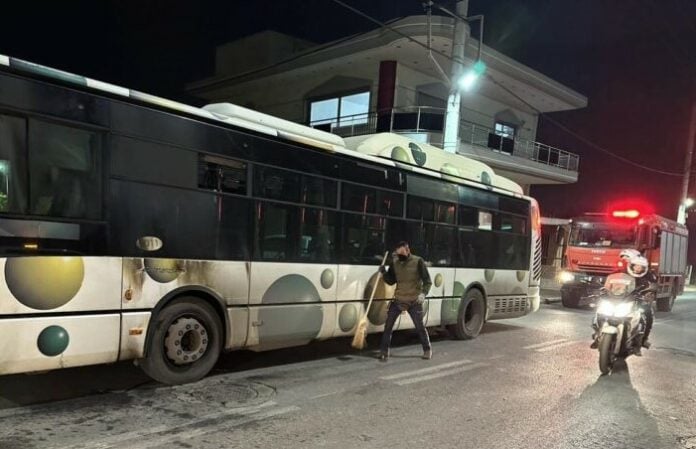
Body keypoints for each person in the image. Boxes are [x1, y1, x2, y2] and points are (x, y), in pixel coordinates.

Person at [378, 241, 432, 361]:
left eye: (401, 255)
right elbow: (391, 281)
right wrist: (384, 272)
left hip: (414, 300)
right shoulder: (395, 262)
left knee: (419, 327)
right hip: (398, 299)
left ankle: (427, 349)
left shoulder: (418, 261)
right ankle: (384, 351)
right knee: (388, 326)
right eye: (397, 255)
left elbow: (427, 281)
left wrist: (423, 293)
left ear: (408, 250)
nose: (399, 258)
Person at [626, 254, 657, 354]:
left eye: (640, 267)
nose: (637, 268)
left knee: (648, 315)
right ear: (632, 265)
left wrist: (650, 292)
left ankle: (642, 341)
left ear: (644, 268)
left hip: (639, 300)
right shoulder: (624, 272)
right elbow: (612, 278)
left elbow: (653, 285)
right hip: (623, 298)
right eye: (635, 265)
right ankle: (598, 334)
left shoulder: (649, 275)